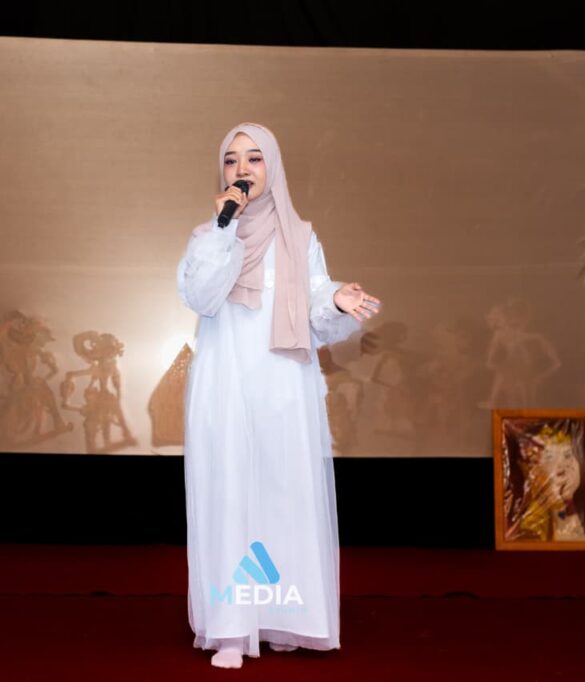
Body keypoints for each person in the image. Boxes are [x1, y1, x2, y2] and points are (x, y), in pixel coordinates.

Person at [176, 123, 381, 669]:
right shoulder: (208, 236)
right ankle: (229, 628)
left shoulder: (301, 237)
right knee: (229, 494)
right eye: (231, 160)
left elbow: (314, 304)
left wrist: (336, 299)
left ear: (273, 167)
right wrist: (225, 228)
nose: (242, 169)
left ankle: (283, 617)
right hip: (225, 382)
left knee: (284, 495)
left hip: (283, 384)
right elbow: (201, 295)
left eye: (255, 158)